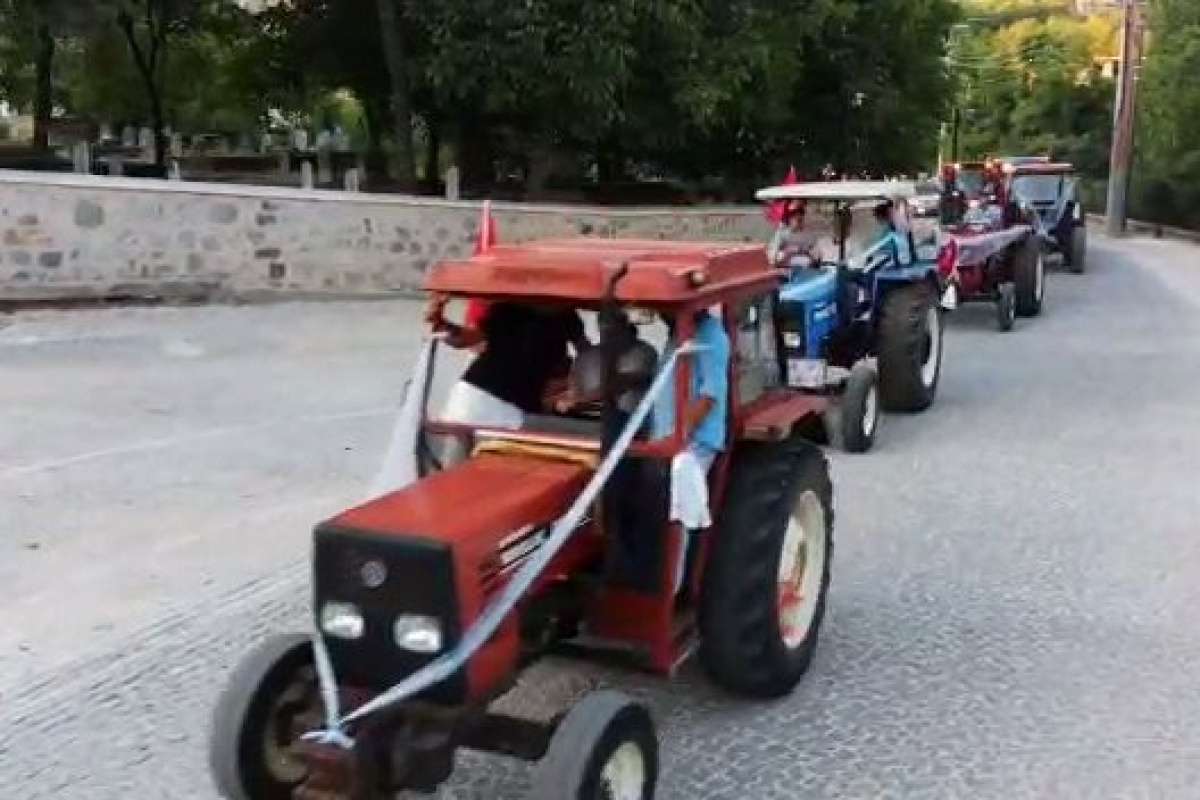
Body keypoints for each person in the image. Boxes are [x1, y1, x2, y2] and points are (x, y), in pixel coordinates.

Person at [426, 295, 589, 462]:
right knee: (591, 435)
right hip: (494, 410)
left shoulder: (564, 316)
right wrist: (440, 322)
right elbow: (466, 338)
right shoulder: (509, 308)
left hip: (469, 402)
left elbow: (467, 338)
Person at [650, 309, 731, 593]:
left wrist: (680, 434)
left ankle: (671, 589)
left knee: (679, 509)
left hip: (694, 442)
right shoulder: (677, 333)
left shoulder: (711, 336)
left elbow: (710, 394)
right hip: (665, 439)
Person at [767, 200, 822, 269]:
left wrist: (812, 254)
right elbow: (773, 254)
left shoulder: (809, 235)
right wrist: (785, 253)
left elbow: (817, 254)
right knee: (780, 256)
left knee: (808, 261)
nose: (798, 217)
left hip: (805, 268)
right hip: (786, 268)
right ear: (789, 218)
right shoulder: (781, 233)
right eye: (794, 214)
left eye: (801, 214)